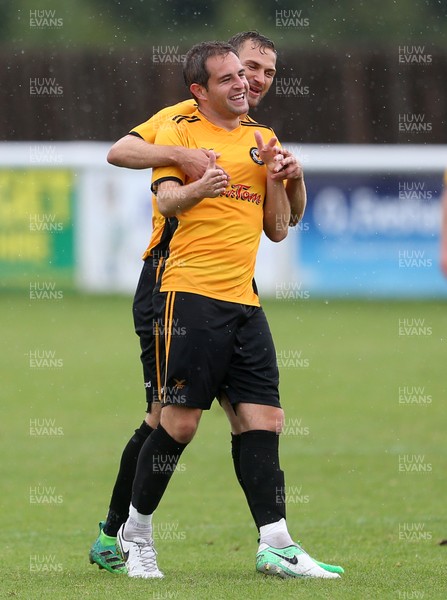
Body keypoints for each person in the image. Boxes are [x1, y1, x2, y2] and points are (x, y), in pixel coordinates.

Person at [89, 31, 342, 577]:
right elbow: (122, 155)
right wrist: (182, 157)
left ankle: (273, 543)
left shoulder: (261, 137)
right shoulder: (182, 120)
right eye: (242, 70)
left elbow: (282, 224)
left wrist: (291, 181)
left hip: (241, 297)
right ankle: (125, 532)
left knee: (260, 417)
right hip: (172, 284)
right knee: (171, 420)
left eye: (265, 73)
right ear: (206, 83)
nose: (253, 82)